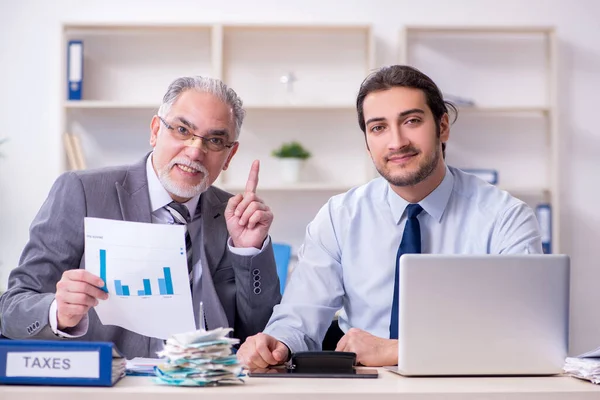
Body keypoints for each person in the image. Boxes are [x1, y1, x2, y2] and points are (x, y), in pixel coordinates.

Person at [237, 65, 543, 368]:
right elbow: (300, 317)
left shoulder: (506, 218)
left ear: (443, 127)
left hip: (470, 386)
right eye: (378, 127)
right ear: (368, 143)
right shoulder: (339, 217)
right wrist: (276, 344)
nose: (396, 142)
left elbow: (527, 338)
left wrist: (399, 351)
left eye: (411, 121)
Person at [0, 76, 281, 358]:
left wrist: (249, 253)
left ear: (230, 155)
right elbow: (11, 310)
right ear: (156, 130)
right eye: (183, 129)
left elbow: (263, 335)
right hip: (110, 387)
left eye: (215, 140)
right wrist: (58, 311)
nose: (196, 150)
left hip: (209, 385)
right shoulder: (82, 192)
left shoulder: (235, 216)